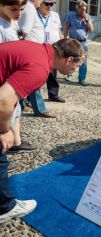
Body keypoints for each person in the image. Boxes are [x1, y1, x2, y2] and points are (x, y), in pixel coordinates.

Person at [0, 38, 84, 224]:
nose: (75, 71)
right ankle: (5, 208)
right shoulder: (40, 68)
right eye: (76, 66)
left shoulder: (37, 49)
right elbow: (3, 100)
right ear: (69, 59)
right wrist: (4, 131)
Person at [0, 0, 37, 160]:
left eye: (21, 9)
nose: (19, 13)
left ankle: (11, 148)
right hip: (3, 81)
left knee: (15, 114)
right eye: (14, 9)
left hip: (11, 79)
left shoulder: (11, 22)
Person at [18, 0, 56, 118]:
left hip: (29, 48)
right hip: (31, 49)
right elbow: (24, 30)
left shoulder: (29, 8)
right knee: (34, 79)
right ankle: (39, 108)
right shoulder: (29, 7)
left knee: (22, 79)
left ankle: (21, 105)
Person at [37, 0, 65, 103]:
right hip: (39, 48)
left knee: (52, 73)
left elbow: (59, 31)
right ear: (40, 3)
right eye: (47, 4)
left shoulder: (55, 16)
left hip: (53, 49)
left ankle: (53, 94)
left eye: (51, 4)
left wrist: (62, 44)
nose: (49, 6)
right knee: (38, 74)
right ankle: (31, 98)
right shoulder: (34, 14)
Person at [63, 0, 94, 86]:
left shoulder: (87, 16)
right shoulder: (70, 15)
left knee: (83, 60)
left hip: (83, 42)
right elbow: (66, 27)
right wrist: (65, 39)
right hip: (72, 41)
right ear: (77, 8)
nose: (84, 11)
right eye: (82, 9)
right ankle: (69, 75)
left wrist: (86, 19)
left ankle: (82, 78)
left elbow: (91, 29)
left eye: (85, 9)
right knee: (71, 58)